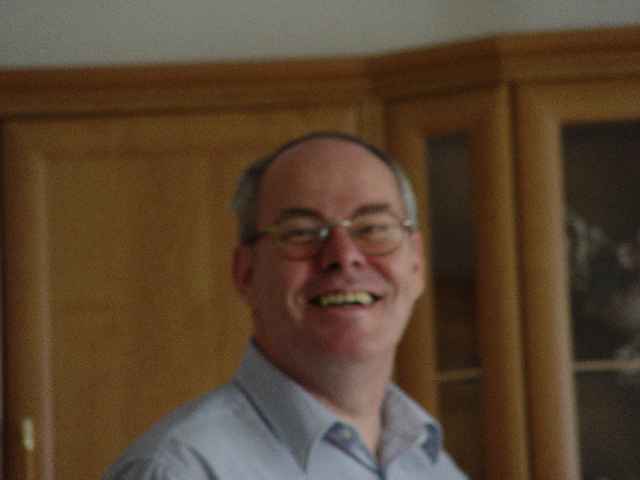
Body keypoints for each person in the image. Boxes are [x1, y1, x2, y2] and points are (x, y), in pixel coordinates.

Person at [103, 132, 467, 479]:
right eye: (301, 232)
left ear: (416, 264)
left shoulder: (432, 466)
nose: (343, 256)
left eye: (373, 228)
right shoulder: (177, 471)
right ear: (246, 273)